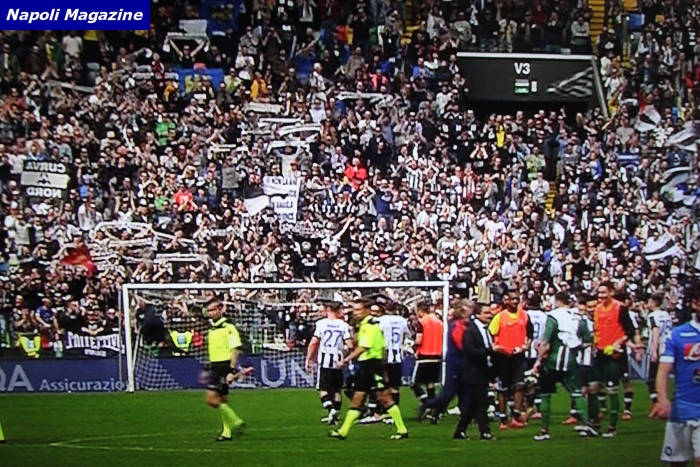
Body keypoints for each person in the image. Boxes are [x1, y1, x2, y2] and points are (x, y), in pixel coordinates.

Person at [331, 297, 408, 440]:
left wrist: (346, 360)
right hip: (368, 366)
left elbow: (364, 347)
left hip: (372, 365)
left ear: (367, 310)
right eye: (354, 309)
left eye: (358, 310)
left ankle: (402, 429)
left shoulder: (369, 326)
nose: (355, 312)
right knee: (358, 398)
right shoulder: (367, 325)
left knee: (384, 398)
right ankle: (343, 431)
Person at [532, 292, 597, 441]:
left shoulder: (553, 316)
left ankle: (544, 430)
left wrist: (538, 362)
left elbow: (545, 342)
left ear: (557, 301)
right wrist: (575, 346)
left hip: (552, 361)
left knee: (545, 395)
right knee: (576, 393)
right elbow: (588, 341)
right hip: (571, 362)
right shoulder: (578, 317)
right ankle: (587, 425)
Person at [651, 286, 700, 467]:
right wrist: (662, 400)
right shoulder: (678, 334)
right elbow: (663, 370)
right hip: (682, 409)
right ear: (695, 303)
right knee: (677, 463)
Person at [587, 282, 640, 438]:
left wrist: (618, 342)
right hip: (600, 353)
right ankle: (594, 424)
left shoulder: (620, 308)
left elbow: (630, 331)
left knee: (612, 390)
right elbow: (597, 330)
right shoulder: (597, 309)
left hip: (615, 354)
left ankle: (612, 427)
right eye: (599, 293)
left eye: (604, 292)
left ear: (611, 292)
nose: (601, 296)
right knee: (592, 387)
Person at [201, 297, 250, 442]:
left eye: (212, 310)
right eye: (208, 311)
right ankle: (226, 432)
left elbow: (235, 349)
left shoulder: (229, 327)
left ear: (220, 309)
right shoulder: (212, 329)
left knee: (211, 398)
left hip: (224, 366)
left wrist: (232, 370)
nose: (210, 313)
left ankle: (236, 421)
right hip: (214, 366)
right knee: (221, 399)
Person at [420, 300, 472, 421]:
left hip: (462, 362)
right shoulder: (457, 325)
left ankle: (465, 416)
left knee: (464, 391)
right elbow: (461, 345)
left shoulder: (464, 325)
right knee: (449, 393)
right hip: (456, 363)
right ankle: (428, 406)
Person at [489, 289, 533, 429]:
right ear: (506, 300)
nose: (514, 302)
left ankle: (516, 415)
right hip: (503, 357)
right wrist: (498, 348)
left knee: (520, 385)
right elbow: (491, 334)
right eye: (512, 299)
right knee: (503, 389)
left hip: (519, 355)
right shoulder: (499, 317)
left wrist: (526, 345)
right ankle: (503, 418)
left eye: (516, 299)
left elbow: (530, 333)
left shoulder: (524, 315)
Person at [306, 301, 353, 424]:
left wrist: (309, 358)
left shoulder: (321, 324)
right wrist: (346, 357)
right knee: (337, 389)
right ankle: (335, 414)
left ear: (328, 310)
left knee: (323, 389)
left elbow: (314, 342)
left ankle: (331, 410)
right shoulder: (343, 325)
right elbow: (350, 344)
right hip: (338, 362)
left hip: (325, 361)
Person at [453, 303, 495, 440]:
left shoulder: (486, 329)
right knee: (482, 402)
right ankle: (485, 431)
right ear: (477, 314)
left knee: (472, 405)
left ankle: (460, 431)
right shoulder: (471, 330)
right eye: (486, 313)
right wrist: (490, 350)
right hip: (474, 372)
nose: (490, 315)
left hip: (483, 370)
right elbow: (470, 351)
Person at [412, 303, 444, 409]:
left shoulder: (422, 322)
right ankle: (432, 405)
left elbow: (419, 340)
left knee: (413, 382)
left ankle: (426, 403)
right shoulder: (440, 323)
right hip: (437, 355)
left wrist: (412, 345)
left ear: (420, 312)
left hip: (424, 356)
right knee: (430, 382)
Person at [645, 294, 673, 415]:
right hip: (668, 348)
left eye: (649, 301)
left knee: (651, 380)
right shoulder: (666, 314)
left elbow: (656, 332)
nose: (648, 304)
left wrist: (654, 350)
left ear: (654, 302)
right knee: (662, 378)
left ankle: (657, 403)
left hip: (658, 348)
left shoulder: (652, 316)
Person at [525, 294, 547, 420]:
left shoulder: (525, 314)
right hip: (539, 350)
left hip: (527, 350)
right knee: (537, 380)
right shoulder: (545, 316)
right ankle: (538, 408)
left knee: (526, 379)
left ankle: (527, 406)